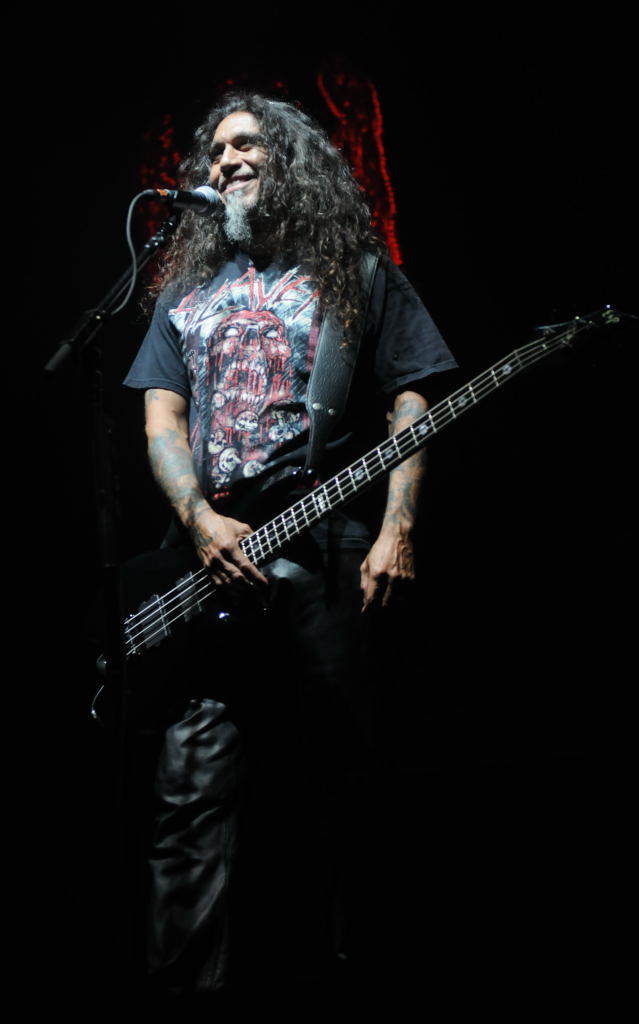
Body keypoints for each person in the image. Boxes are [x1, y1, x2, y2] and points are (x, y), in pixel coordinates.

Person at [124, 91, 457, 992]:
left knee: (344, 778)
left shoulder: (357, 272)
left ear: (291, 159)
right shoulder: (185, 290)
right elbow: (161, 416)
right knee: (187, 791)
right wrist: (197, 518)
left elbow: (412, 397)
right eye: (215, 151)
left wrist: (397, 525)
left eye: (246, 145)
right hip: (206, 562)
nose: (225, 161)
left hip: (324, 549)